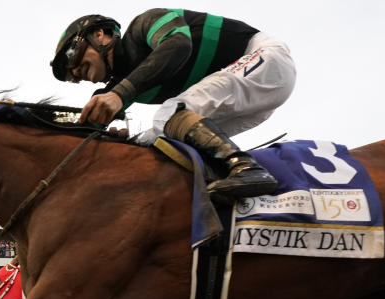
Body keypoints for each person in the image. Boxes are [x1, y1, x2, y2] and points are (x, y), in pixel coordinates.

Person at [50, 10, 295, 198]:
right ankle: (216, 182)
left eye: (72, 55)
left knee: (169, 113)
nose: (74, 72)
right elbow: (84, 137)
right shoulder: (121, 84)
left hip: (266, 58)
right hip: (256, 97)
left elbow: (179, 44)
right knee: (154, 139)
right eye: (71, 76)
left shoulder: (143, 25)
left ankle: (247, 169)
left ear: (100, 35)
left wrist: (120, 95)